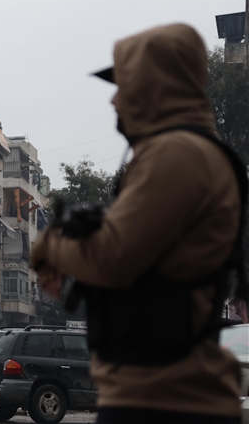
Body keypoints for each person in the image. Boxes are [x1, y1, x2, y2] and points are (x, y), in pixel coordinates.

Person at [31, 23, 246, 424]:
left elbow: (112, 257)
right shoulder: (185, 151)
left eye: (124, 85)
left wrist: (51, 246)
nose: (114, 100)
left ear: (154, 88)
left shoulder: (176, 154)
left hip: (164, 398)